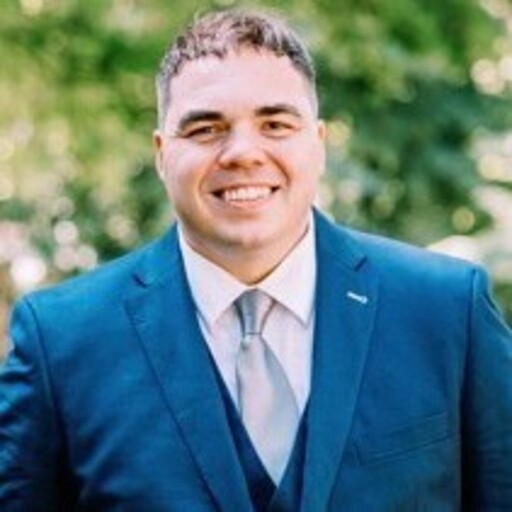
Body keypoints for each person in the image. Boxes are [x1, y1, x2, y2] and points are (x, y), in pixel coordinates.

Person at [1, 8, 511, 512]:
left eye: (275, 124)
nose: (243, 152)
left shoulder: (448, 313)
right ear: (161, 154)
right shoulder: (59, 341)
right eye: (205, 129)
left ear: (318, 143)